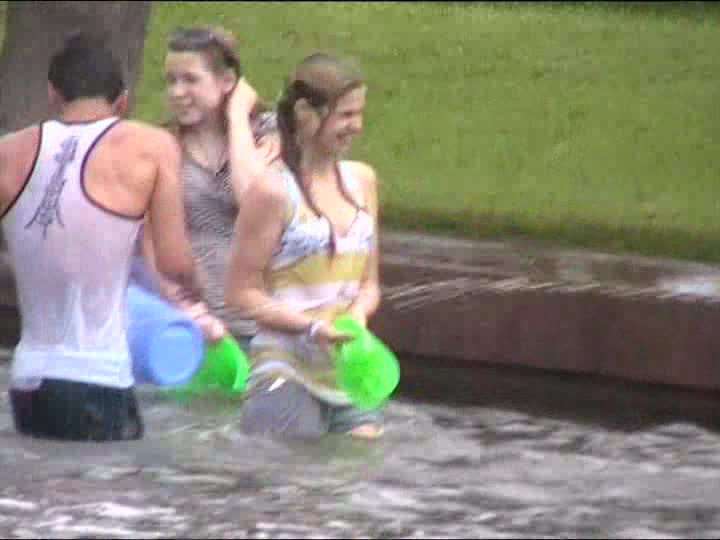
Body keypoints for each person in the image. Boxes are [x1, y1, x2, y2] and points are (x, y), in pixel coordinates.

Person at [0, 33, 204, 442]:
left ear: (53, 94)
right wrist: (196, 292)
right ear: (122, 102)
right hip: (98, 377)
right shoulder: (152, 146)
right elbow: (174, 263)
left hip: (27, 380)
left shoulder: (7, 153)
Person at [225, 53, 385, 439]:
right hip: (284, 371)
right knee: (290, 475)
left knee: (360, 465)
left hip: (349, 373)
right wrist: (310, 327)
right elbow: (240, 292)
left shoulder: (363, 182)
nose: (357, 126)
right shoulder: (273, 192)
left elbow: (369, 284)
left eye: (359, 114)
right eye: (346, 115)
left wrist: (357, 316)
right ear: (305, 113)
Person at [136, 26, 278, 346]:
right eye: (171, 81)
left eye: (190, 79)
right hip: (195, 323)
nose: (177, 92)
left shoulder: (267, 134)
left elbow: (253, 199)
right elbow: (151, 242)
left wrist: (238, 116)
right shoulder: (162, 146)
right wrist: (184, 309)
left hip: (265, 323)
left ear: (227, 81)